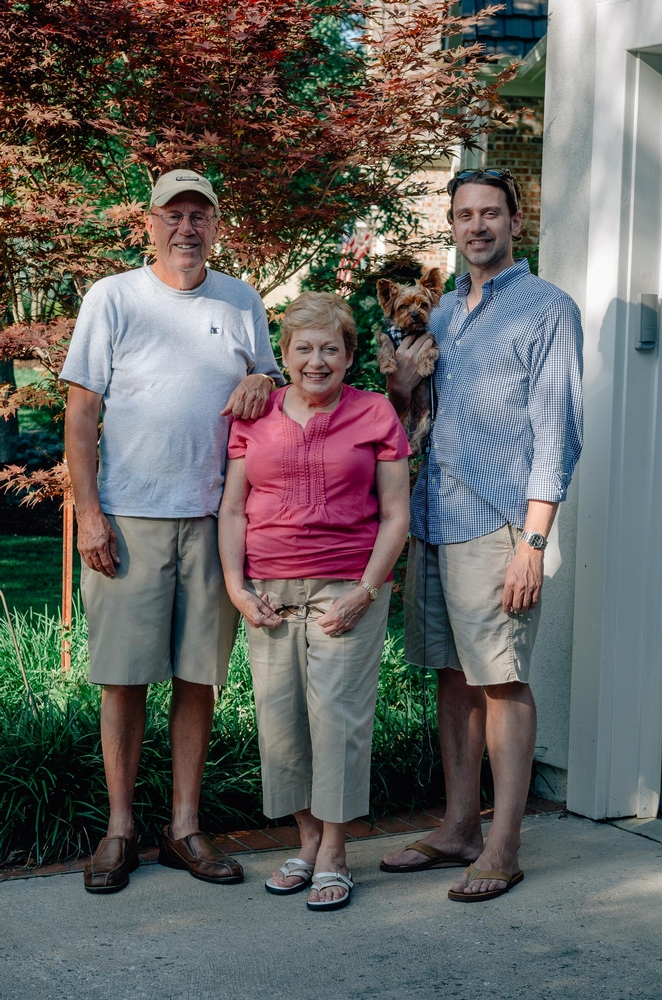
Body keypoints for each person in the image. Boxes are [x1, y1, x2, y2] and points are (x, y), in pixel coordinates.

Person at [62, 169, 284, 894]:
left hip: (216, 519)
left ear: (217, 226)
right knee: (124, 681)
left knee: (198, 678)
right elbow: (80, 414)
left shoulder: (242, 300)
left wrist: (264, 381)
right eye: (173, 215)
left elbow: (277, 389)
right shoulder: (114, 297)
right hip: (128, 518)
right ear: (149, 225)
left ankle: (183, 827)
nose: (187, 229)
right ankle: (120, 828)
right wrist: (89, 513)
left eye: (200, 216)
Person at [381, 169, 583, 902]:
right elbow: (417, 414)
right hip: (435, 516)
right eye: (465, 214)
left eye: (490, 212)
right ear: (453, 224)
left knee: (502, 678)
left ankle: (504, 842)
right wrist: (402, 389)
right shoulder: (438, 316)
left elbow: (557, 432)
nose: (477, 226)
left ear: (515, 219)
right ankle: (458, 826)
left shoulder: (546, 309)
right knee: (454, 676)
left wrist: (533, 543)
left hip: (498, 523)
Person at [219, 291, 411, 911]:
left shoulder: (377, 414)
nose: (317, 360)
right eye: (304, 348)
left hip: (345, 590)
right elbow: (230, 509)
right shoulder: (256, 415)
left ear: (350, 354)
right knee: (281, 725)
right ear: (285, 353)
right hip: (268, 593)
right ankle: (304, 841)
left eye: (331, 348)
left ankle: (333, 852)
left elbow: (395, 516)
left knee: (338, 723)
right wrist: (236, 588)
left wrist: (365, 591)